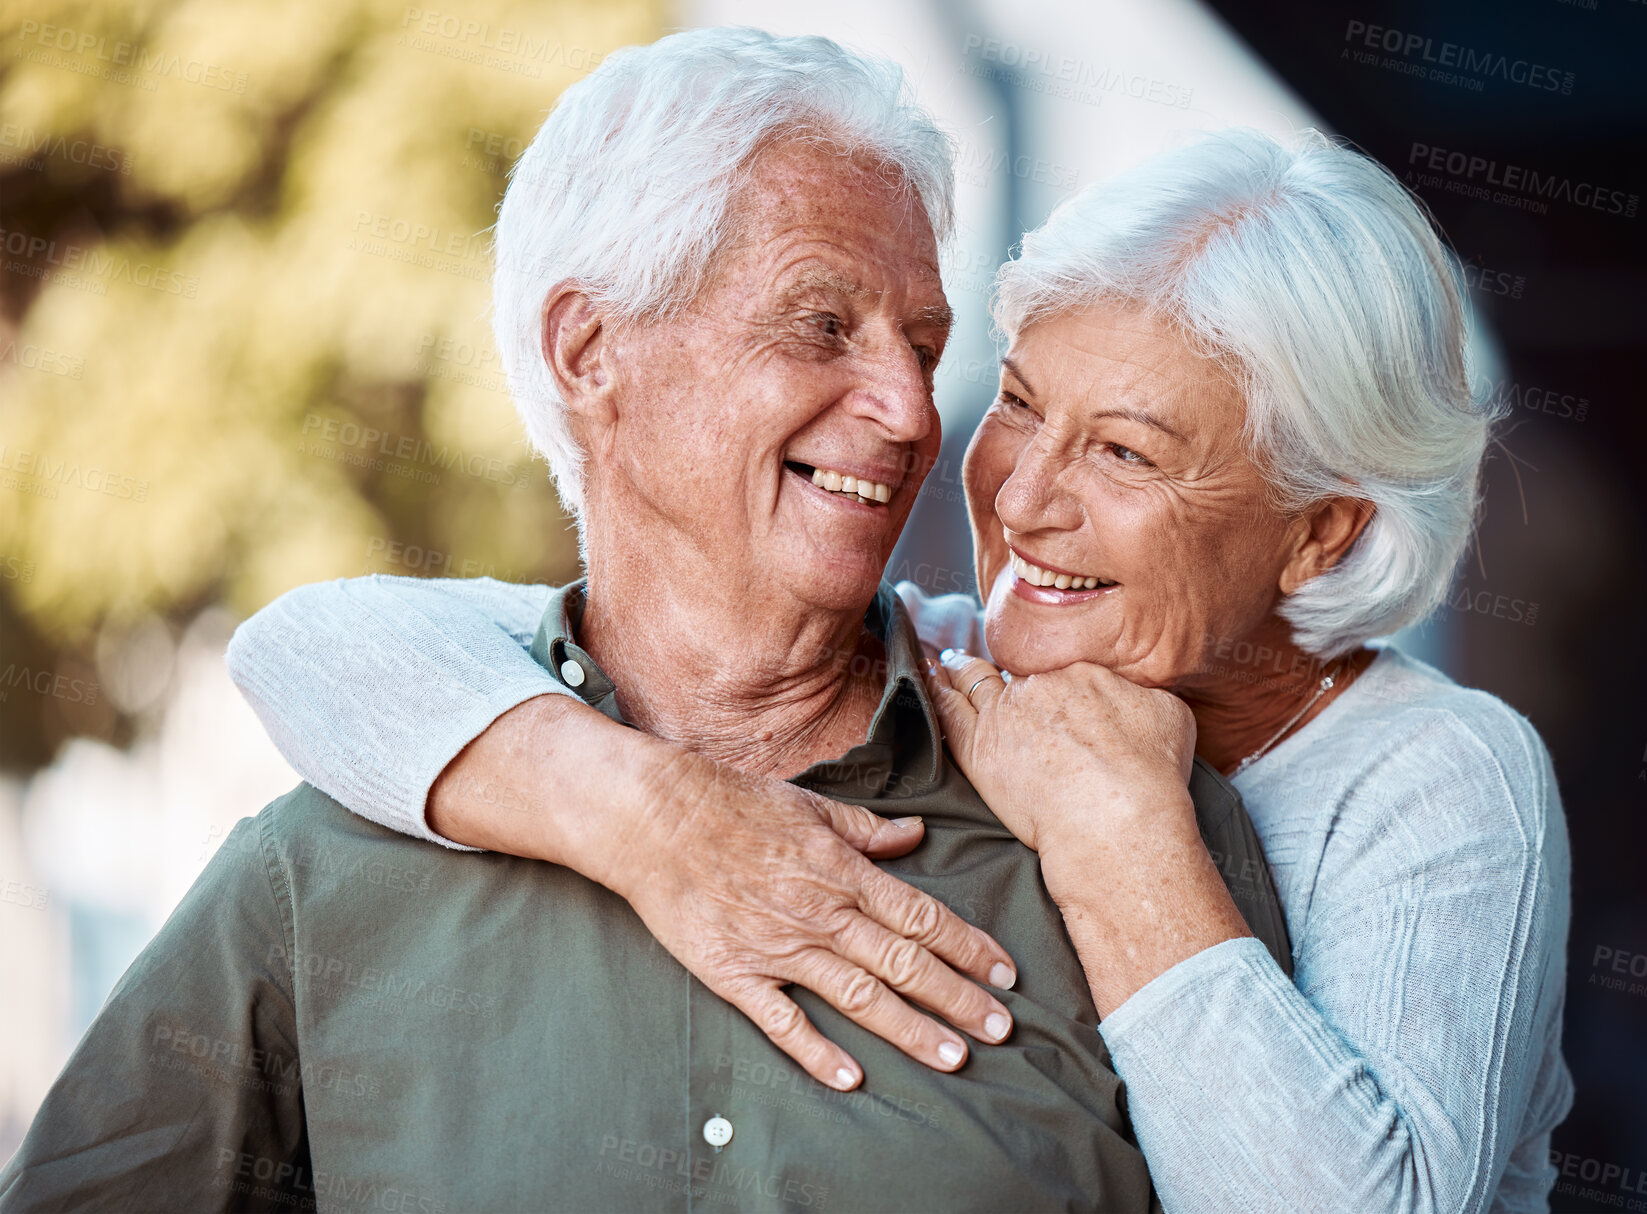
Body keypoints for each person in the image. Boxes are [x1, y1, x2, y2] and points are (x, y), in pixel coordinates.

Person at [0, 29, 1289, 1213]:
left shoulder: (1129, 826)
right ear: (589, 353)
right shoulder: (321, 877)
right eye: (823, 324)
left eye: (923, 339)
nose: (908, 409)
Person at [226, 129, 1574, 1210]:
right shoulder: (963, 661)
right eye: (1025, 403)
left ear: (1321, 529)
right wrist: (655, 818)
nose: (1023, 497)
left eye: (1124, 454)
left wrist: (1121, 839)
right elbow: (313, 647)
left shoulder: (1441, 776)